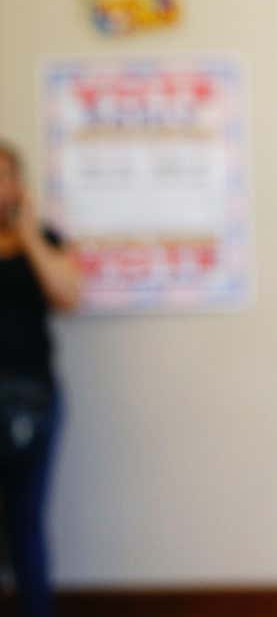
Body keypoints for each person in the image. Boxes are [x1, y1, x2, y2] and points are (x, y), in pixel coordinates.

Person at [0, 141, 80, 617]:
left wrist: (26, 232)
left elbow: (69, 294)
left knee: (25, 522)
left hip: (33, 401)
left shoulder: (43, 238)